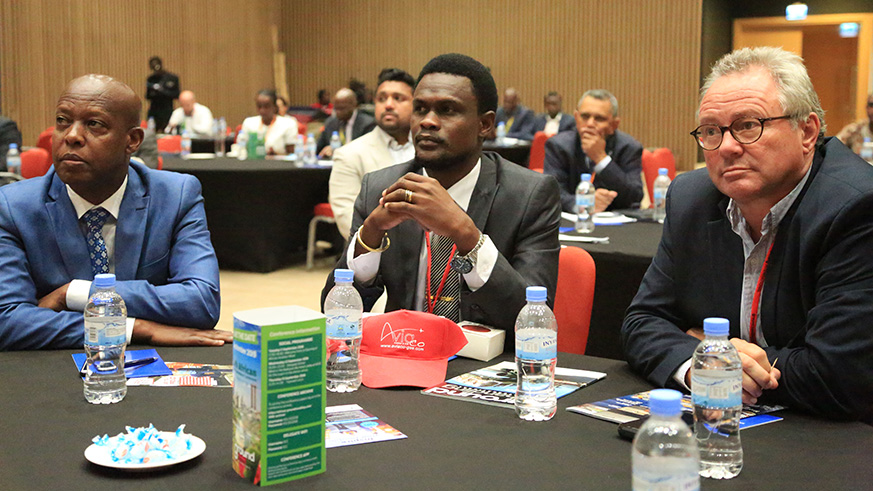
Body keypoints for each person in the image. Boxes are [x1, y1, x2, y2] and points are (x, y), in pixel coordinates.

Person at [622, 47, 873, 422]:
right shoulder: (691, 198)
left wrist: (714, 353)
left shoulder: (856, 206)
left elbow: (839, 374)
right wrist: (696, 365)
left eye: (747, 125)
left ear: (807, 131)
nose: (726, 147)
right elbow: (641, 323)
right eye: (711, 131)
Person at [321, 53, 561, 345]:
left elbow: (533, 320)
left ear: (485, 125)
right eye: (420, 109)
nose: (428, 122)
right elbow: (334, 310)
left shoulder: (529, 195)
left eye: (447, 110)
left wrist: (466, 234)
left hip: (484, 367)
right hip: (403, 359)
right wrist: (370, 235)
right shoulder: (381, 187)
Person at [0, 74, 231, 350]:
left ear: (132, 141)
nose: (71, 136)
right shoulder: (14, 207)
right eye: (63, 121)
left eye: (94, 124)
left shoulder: (176, 196)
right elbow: (8, 320)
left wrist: (76, 293)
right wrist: (135, 327)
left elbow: (201, 302)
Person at [329, 68, 416, 240]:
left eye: (398, 98)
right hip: (377, 255)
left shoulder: (431, 149)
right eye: (382, 99)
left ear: (417, 104)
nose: (388, 105)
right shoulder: (350, 155)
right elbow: (348, 220)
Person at [543, 89, 643, 213]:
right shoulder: (558, 146)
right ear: (576, 117)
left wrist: (601, 159)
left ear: (614, 125)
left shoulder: (629, 147)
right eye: (585, 116)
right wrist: (584, 204)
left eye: (599, 118)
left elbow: (635, 197)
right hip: (574, 223)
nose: (590, 124)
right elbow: (551, 194)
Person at [316, 88, 376, 158]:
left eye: (342, 108)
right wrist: (325, 150)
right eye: (336, 109)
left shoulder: (367, 124)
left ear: (354, 105)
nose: (338, 112)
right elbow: (318, 149)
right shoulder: (330, 123)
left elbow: (368, 151)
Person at [237, 89, 299, 156]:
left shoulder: (288, 124)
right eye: (259, 106)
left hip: (279, 164)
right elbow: (242, 148)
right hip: (253, 163)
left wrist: (276, 154)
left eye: (266, 107)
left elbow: (291, 154)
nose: (262, 110)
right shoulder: (249, 123)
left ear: (275, 107)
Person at [145, 56, 180, 132]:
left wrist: (162, 91)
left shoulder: (172, 78)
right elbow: (147, 96)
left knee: (168, 131)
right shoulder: (151, 79)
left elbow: (176, 94)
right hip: (154, 110)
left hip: (167, 109)